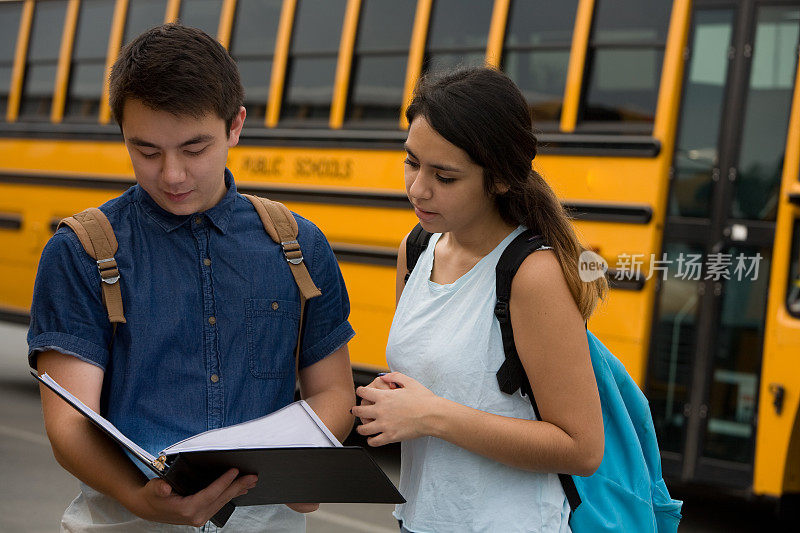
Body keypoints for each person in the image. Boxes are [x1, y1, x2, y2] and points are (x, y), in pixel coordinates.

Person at [28, 24, 355, 532]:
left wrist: (303, 465)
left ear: (235, 125)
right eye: (147, 151)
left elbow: (334, 392)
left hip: (265, 522)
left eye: (194, 148)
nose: (173, 174)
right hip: (125, 520)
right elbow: (69, 422)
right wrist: (139, 498)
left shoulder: (298, 245)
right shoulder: (81, 252)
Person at [352, 66, 607, 532]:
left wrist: (431, 415)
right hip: (420, 520)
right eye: (411, 162)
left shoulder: (532, 274)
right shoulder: (416, 250)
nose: (417, 188)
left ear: (502, 179)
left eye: (444, 177)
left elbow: (582, 448)